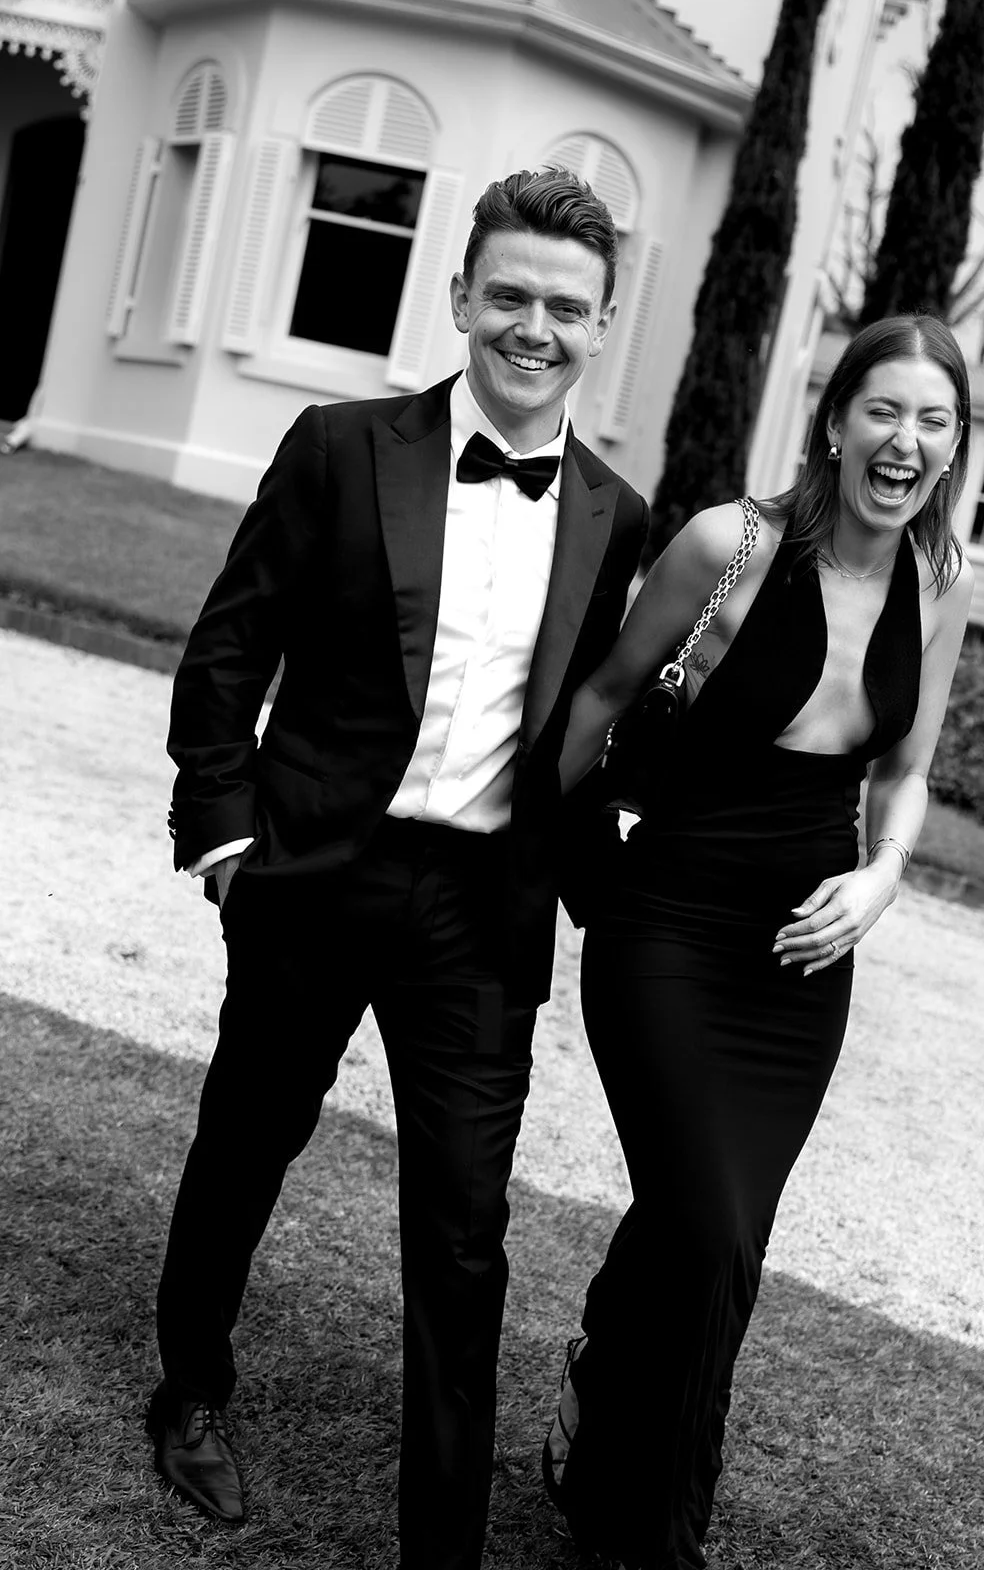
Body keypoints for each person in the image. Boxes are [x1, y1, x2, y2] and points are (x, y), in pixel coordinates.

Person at [148, 166, 648, 1570]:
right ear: (460, 298)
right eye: (509, 296)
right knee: (246, 1146)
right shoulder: (337, 445)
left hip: (480, 917)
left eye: (563, 305)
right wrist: (229, 838)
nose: (531, 326)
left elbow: (603, 742)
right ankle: (190, 1388)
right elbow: (228, 650)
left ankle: (445, 1538)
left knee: (466, 1228)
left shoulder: (623, 516)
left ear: (602, 325)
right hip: (312, 875)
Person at [541, 314, 976, 1570]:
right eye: (883, 410)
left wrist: (883, 878)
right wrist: (532, 872)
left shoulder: (939, 585)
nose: (905, 441)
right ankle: (656, 1536)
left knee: (715, 1231)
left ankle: (603, 1437)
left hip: (799, 962)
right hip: (665, 925)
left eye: (933, 421)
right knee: (713, 1229)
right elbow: (606, 697)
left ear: (953, 447)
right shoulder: (728, 544)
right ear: (835, 421)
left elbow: (906, 771)